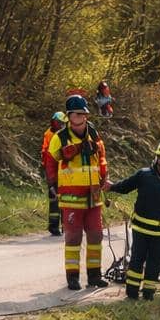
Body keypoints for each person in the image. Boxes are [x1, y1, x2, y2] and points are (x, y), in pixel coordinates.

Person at [106, 141, 160, 299]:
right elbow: (126, 186)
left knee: (154, 263)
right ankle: (131, 293)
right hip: (141, 229)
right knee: (137, 259)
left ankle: (148, 293)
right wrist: (111, 187)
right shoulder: (143, 175)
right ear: (156, 157)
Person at [47, 94, 109, 289]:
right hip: (71, 196)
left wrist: (104, 178)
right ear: (69, 116)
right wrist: (52, 185)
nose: (80, 118)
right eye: (76, 114)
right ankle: (72, 278)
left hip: (94, 195)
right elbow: (50, 162)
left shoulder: (94, 135)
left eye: (83, 114)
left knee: (96, 235)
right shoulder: (60, 138)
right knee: (73, 237)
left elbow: (102, 159)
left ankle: (94, 276)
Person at [41, 109, 66, 237]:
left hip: (62, 171)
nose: (60, 125)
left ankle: (65, 226)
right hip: (53, 171)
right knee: (54, 199)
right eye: (59, 122)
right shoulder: (51, 135)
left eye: (62, 123)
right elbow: (48, 155)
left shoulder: (62, 134)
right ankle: (54, 226)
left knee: (65, 199)